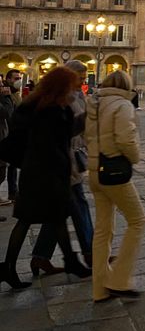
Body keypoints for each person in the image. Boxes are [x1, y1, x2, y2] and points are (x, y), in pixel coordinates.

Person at [0, 67, 92, 291]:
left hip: (34, 171)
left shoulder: (33, 104)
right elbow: (58, 139)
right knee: (52, 215)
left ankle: (11, 266)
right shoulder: (52, 109)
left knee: (36, 219)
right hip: (48, 171)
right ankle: (68, 261)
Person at [85, 70, 145, 301]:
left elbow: (86, 135)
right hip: (114, 171)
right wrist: (135, 157)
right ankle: (119, 279)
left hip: (94, 171)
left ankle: (99, 288)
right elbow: (125, 139)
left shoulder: (94, 104)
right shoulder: (122, 105)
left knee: (103, 230)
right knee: (138, 221)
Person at [30, 60, 94, 275]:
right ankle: (89, 253)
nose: (83, 83)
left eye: (85, 79)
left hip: (70, 160)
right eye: (80, 79)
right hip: (60, 163)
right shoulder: (54, 100)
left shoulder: (77, 95)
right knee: (77, 207)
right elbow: (60, 132)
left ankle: (40, 256)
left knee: (61, 211)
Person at [0, 69, 23, 206]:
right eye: (15, 78)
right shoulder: (5, 96)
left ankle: (13, 192)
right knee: (3, 169)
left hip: (12, 134)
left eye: (19, 77)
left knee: (12, 167)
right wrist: (7, 98)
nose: (18, 81)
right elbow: (8, 113)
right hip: (5, 135)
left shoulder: (16, 95)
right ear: (7, 80)